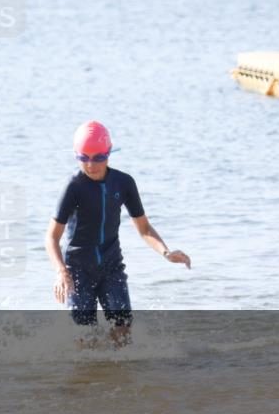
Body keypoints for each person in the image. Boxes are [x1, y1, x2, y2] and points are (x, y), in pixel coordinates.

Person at [45, 121, 191, 346]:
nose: (91, 165)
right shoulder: (73, 187)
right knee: (84, 341)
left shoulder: (123, 183)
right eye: (84, 158)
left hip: (111, 267)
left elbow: (144, 228)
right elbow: (51, 237)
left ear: (109, 152)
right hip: (78, 271)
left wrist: (166, 252)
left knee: (123, 333)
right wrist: (60, 271)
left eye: (98, 158)